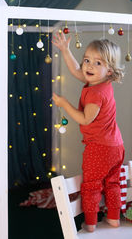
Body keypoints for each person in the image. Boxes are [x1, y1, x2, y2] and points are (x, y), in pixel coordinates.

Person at [52, 32, 125, 232]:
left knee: (92, 185)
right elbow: (77, 71)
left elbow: (85, 118)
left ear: (109, 70)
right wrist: (65, 50)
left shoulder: (95, 94)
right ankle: (113, 218)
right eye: (87, 60)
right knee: (112, 183)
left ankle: (91, 223)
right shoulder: (101, 83)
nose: (89, 66)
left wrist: (64, 103)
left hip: (100, 147)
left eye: (97, 63)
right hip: (115, 146)